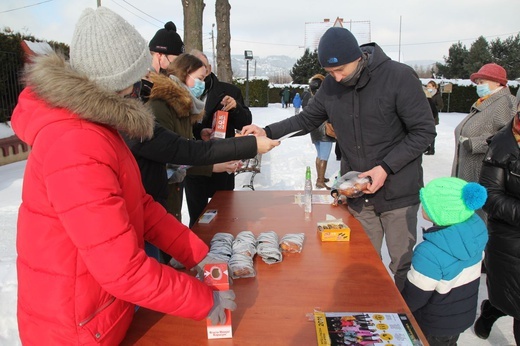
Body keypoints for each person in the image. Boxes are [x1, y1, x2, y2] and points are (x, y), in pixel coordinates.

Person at [10, 7, 237, 344]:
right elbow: (122, 270)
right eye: (139, 76)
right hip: (74, 329)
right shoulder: (75, 144)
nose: (144, 82)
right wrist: (204, 300)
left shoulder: (98, 126)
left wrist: (198, 254)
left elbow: (140, 206)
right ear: (120, 83)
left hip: (98, 312)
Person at [242, 27, 436, 291]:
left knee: (401, 264)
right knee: (362, 263)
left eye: (341, 69)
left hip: (398, 192)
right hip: (358, 191)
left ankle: (406, 320)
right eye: (330, 72)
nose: (336, 77)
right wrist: (267, 131)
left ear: (358, 56)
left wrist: (385, 168)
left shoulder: (398, 77)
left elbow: (424, 131)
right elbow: (306, 118)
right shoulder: (332, 85)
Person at [401, 177, 488, 346]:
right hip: (460, 317)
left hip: (432, 324)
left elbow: (416, 296)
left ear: (440, 212)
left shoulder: (429, 252)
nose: (422, 205)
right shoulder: (475, 234)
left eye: (426, 203)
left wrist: (399, 310)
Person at [186, 50, 253, 227]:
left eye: (205, 69)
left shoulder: (229, 91)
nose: (203, 74)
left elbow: (245, 122)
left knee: (224, 218)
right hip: (194, 165)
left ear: (208, 68)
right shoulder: (184, 92)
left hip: (222, 163)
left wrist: (236, 108)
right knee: (197, 219)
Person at [473, 104, 520, 344]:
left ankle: (494, 308)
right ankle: (495, 307)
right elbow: (490, 196)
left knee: (510, 297)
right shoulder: (504, 144)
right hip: (510, 240)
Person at [452, 63, 516, 206]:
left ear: (498, 82)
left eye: (482, 82)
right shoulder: (485, 102)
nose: (478, 86)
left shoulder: (506, 102)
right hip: (469, 172)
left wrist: (477, 143)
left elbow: (510, 137)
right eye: (477, 82)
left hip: (484, 173)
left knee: (480, 217)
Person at [305, 74, 335, 189]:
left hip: (315, 130)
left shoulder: (311, 98)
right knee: (324, 156)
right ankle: (320, 181)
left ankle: (320, 177)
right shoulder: (326, 98)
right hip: (325, 131)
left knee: (319, 155)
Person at [424, 80, 443, 155]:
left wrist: (433, 109)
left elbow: (441, 105)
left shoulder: (437, 95)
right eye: (427, 86)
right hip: (426, 116)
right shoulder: (425, 94)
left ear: (434, 87)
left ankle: (432, 149)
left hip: (433, 117)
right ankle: (426, 147)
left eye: (430, 86)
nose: (428, 87)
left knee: (431, 132)